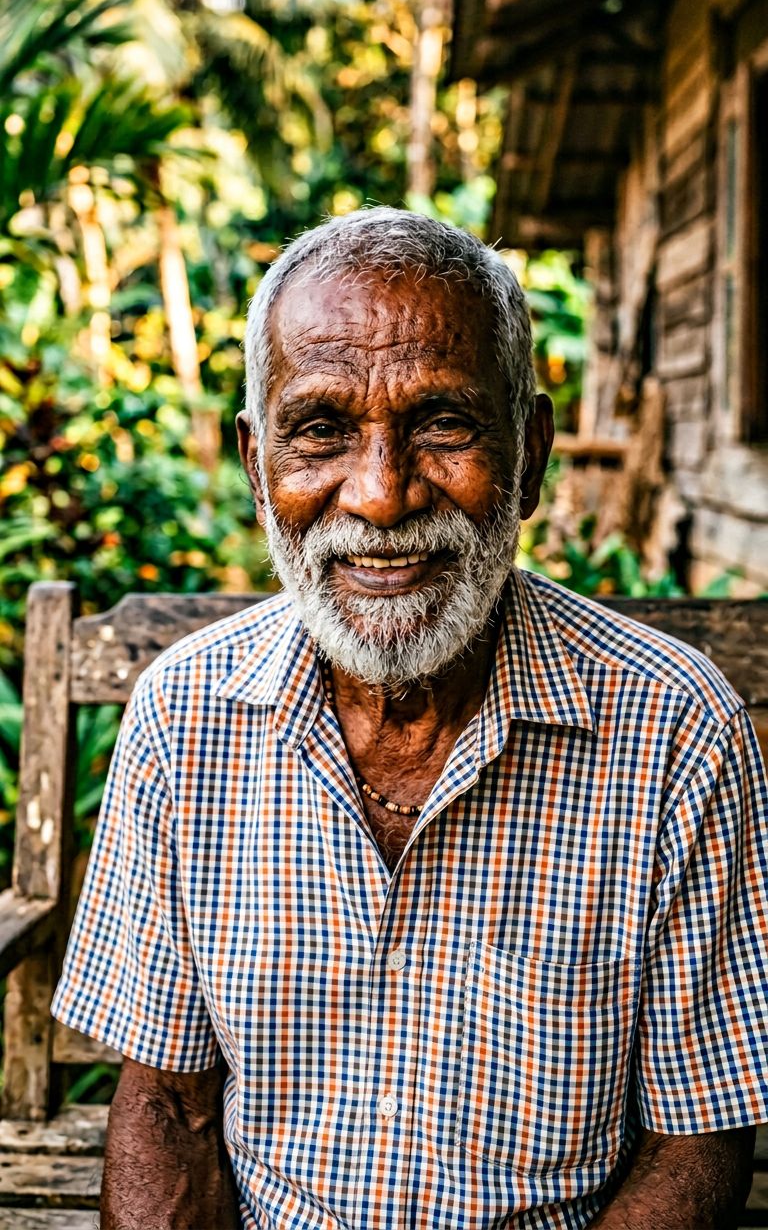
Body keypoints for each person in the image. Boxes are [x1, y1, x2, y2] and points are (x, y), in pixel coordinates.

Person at [52, 208, 768, 1230]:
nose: (382, 494)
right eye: (322, 429)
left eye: (444, 423)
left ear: (530, 453)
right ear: (260, 465)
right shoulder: (187, 716)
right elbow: (167, 1102)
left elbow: (694, 1142)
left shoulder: (673, 729)